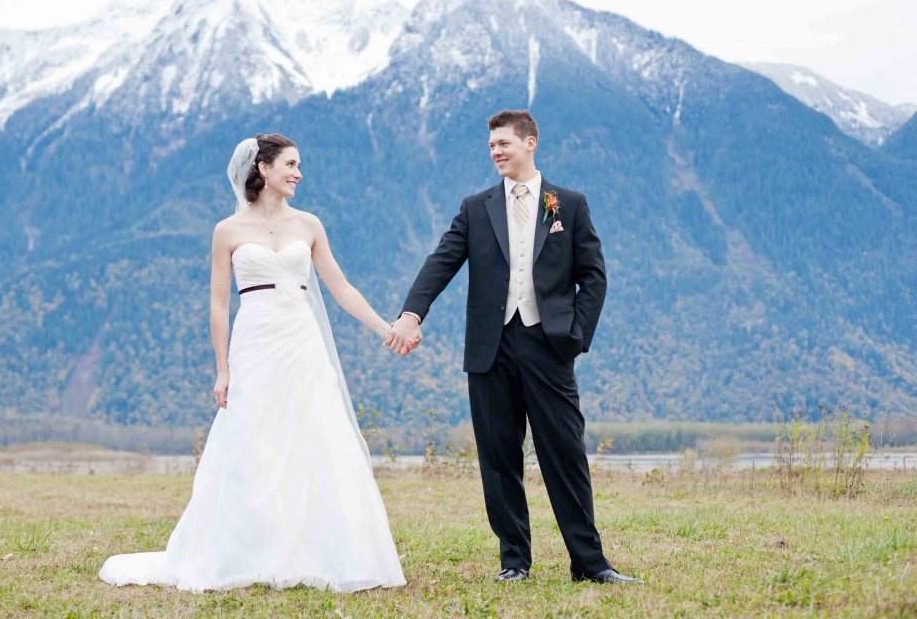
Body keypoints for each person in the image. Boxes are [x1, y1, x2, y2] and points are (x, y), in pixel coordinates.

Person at [99, 133, 407, 592]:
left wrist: (387, 329)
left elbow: (341, 289)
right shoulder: (228, 230)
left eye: (299, 165)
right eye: (291, 164)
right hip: (255, 340)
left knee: (314, 434)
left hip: (301, 341)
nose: (299, 173)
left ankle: (323, 551)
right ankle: (247, 550)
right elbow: (219, 305)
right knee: (253, 440)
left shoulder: (309, 225)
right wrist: (222, 369)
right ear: (263, 168)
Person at [386, 110, 642, 585]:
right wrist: (410, 313)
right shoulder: (476, 208)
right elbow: (440, 262)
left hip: (550, 347)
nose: (496, 152)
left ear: (531, 143)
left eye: (504, 143)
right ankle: (514, 563)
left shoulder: (568, 204)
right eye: (491, 146)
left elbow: (594, 277)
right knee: (499, 458)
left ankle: (589, 564)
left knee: (565, 454)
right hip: (491, 349)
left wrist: (574, 337)